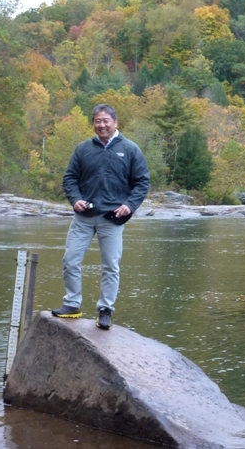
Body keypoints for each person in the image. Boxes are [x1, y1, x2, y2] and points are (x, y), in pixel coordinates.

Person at [51, 104, 150, 330]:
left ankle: (105, 310)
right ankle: (72, 304)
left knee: (110, 266)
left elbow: (143, 182)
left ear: (115, 122)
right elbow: (70, 178)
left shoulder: (131, 149)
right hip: (83, 217)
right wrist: (75, 199)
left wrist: (130, 205)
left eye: (106, 120)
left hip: (112, 218)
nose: (102, 124)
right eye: (97, 121)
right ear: (93, 123)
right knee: (70, 260)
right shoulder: (83, 149)